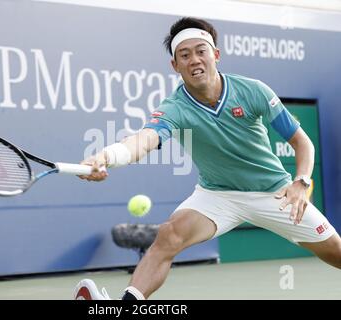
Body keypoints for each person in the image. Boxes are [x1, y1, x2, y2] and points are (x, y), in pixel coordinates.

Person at [73, 17, 341, 300]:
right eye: (184, 55)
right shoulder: (175, 108)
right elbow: (145, 139)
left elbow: (302, 142)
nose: (194, 60)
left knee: (335, 251)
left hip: (274, 193)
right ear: (175, 66)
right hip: (218, 195)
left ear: (216, 54)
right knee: (169, 236)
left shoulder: (253, 91)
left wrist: (300, 181)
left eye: (201, 51)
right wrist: (107, 155)